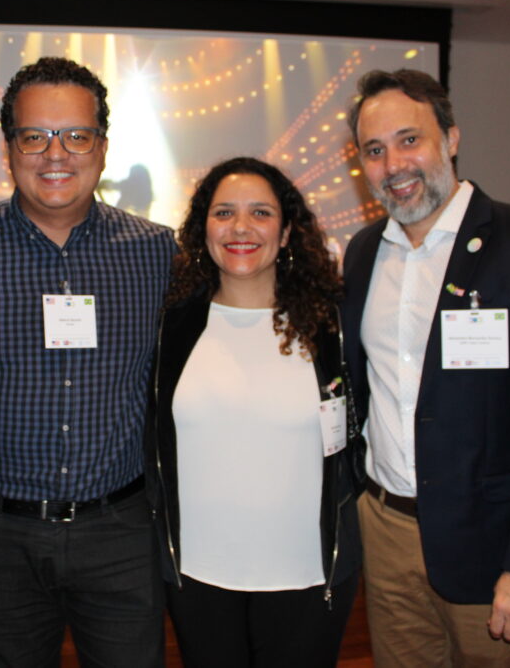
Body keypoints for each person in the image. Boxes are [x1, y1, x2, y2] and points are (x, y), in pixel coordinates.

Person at [342, 69, 510, 666]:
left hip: (493, 544)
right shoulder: (361, 254)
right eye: (374, 150)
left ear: (451, 139)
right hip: (385, 532)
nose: (394, 163)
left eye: (410, 140)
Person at [0, 57, 176, 667]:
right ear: (9, 147)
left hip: (120, 532)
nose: (57, 154)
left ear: (102, 147)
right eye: (36, 136)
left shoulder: (157, 254)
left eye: (76, 136)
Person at [146, 157, 363, 667]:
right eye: (224, 213)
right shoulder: (169, 326)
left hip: (308, 577)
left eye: (260, 213)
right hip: (198, 576)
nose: (241, 227)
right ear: (203, 230)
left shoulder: (331, 324)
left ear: (286, 233)